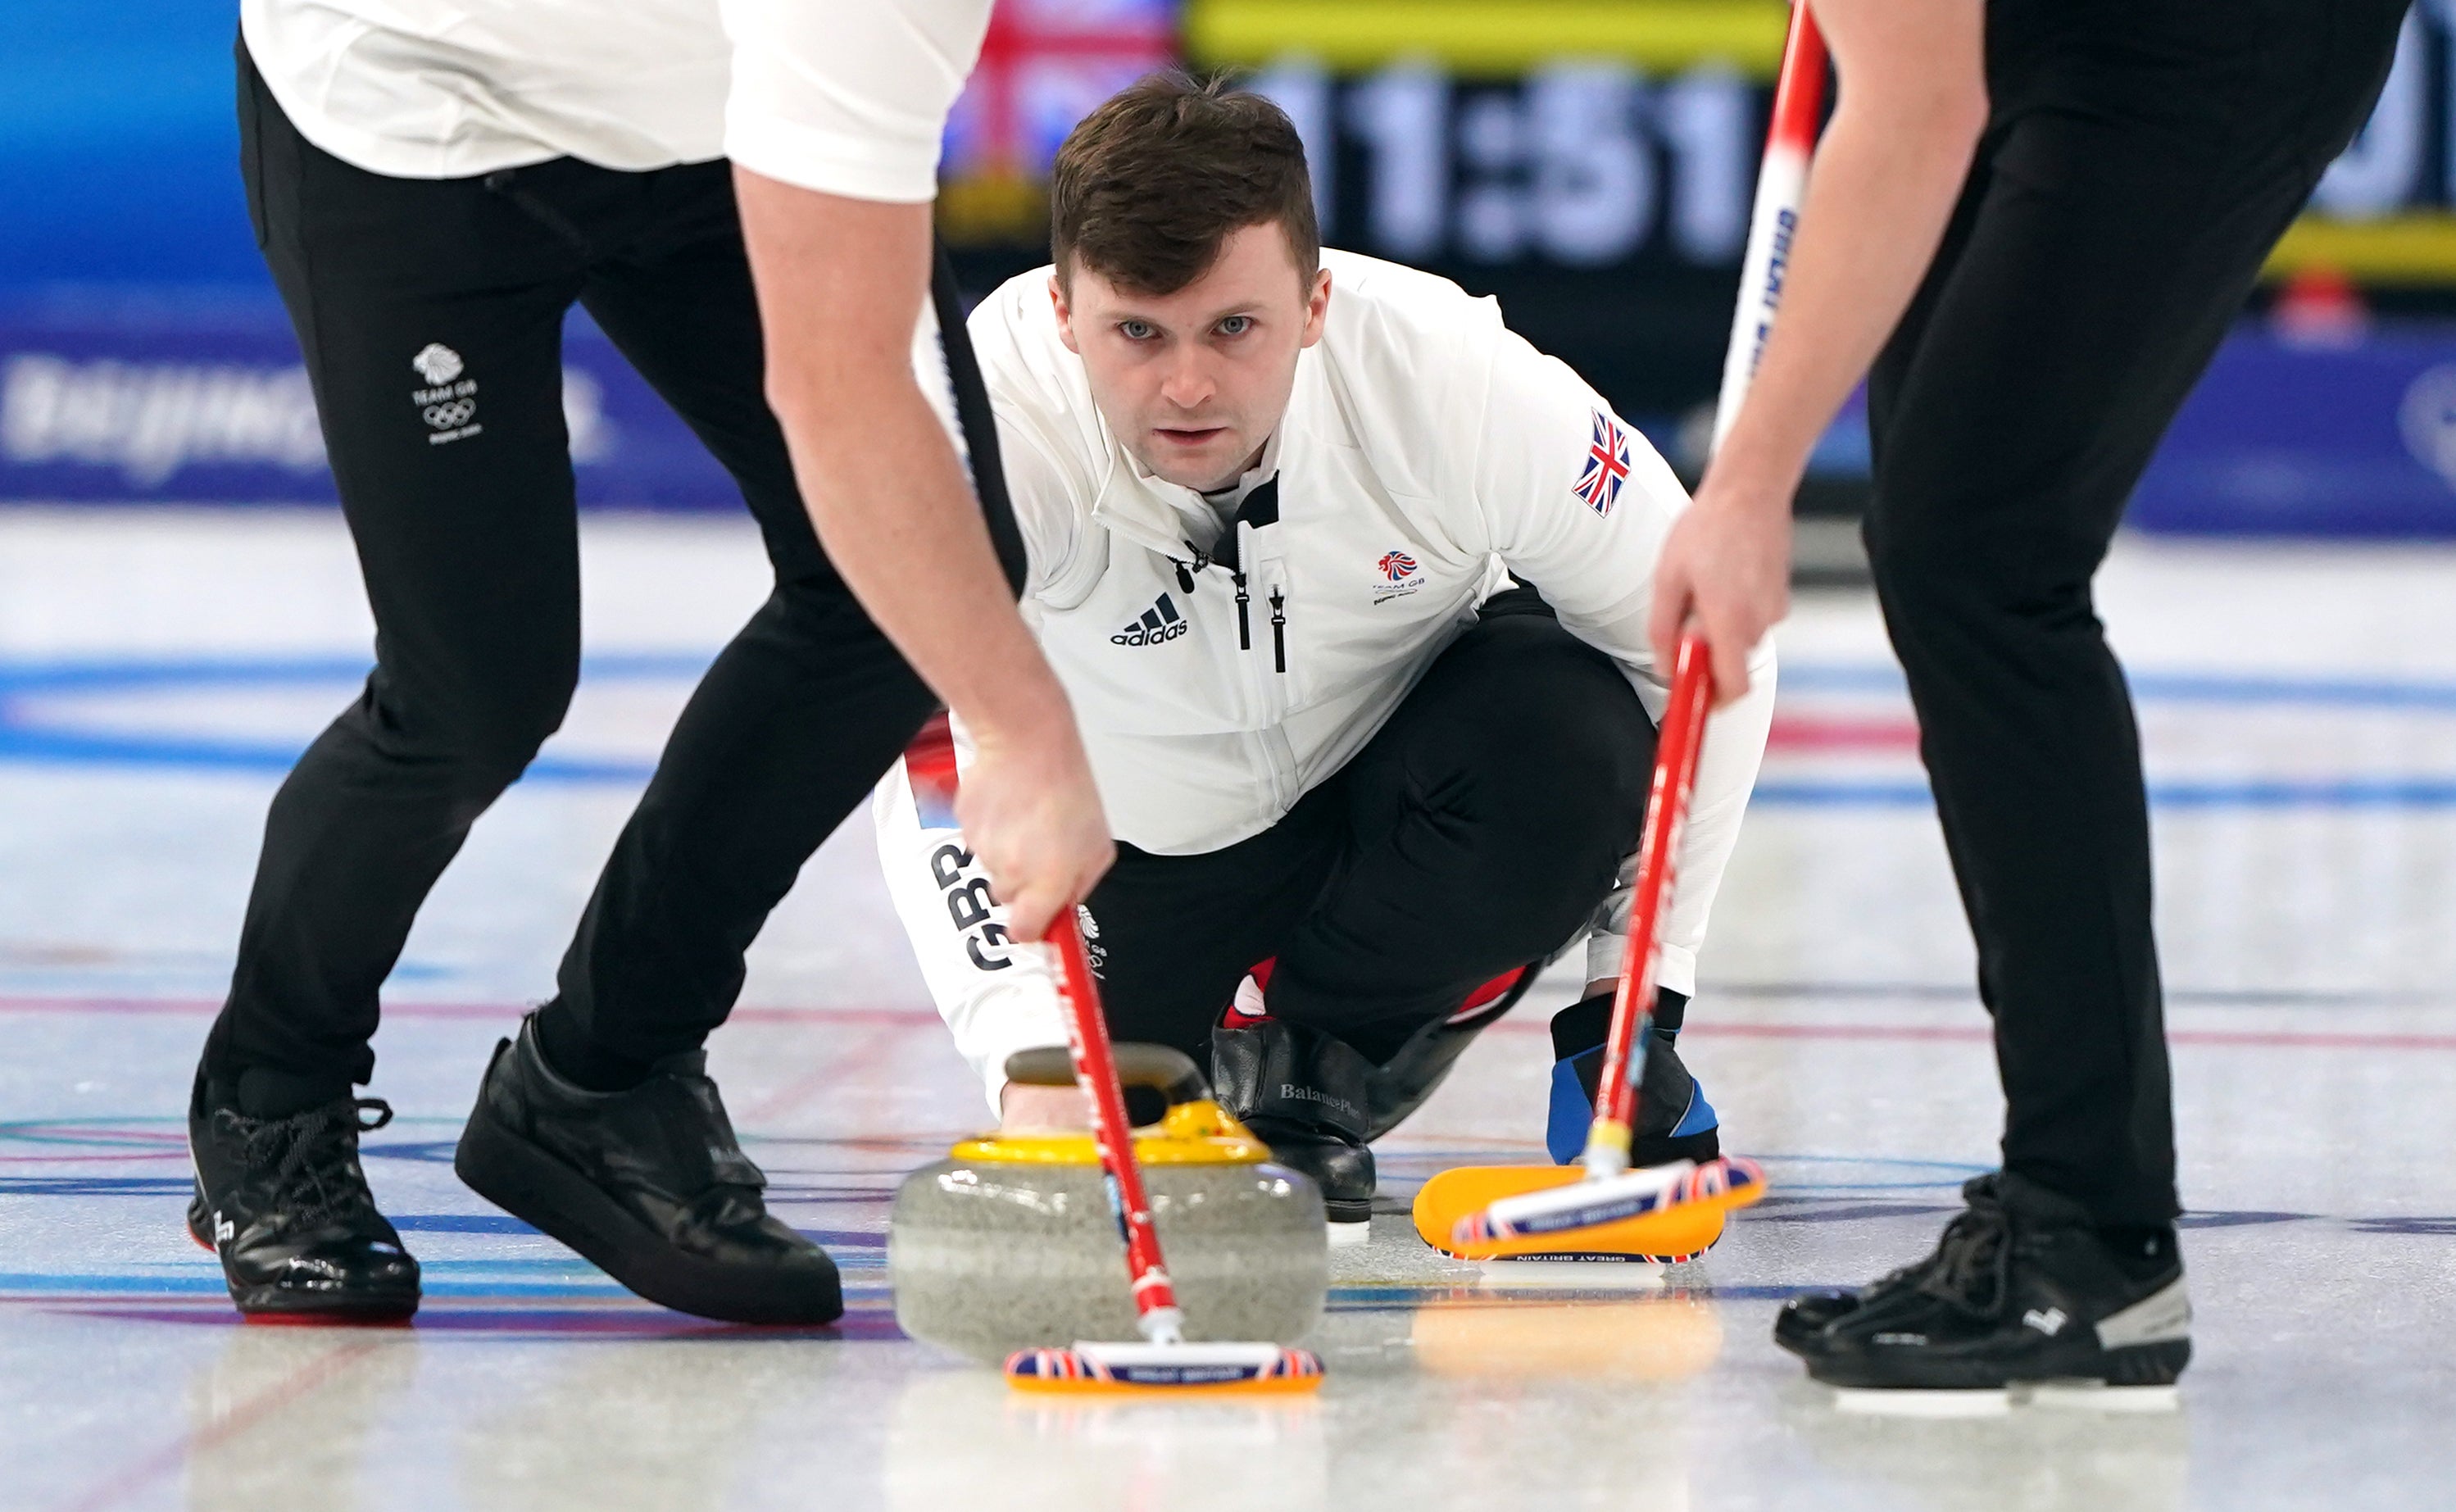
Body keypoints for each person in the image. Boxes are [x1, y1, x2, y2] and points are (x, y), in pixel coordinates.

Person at [188, 0, 1112, 1325]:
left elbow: (878, 420)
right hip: (405, 110)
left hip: (707, 123)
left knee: (908, 586)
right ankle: (267, 1098)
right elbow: (838, 389)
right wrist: (1018, 728)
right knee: (475, 689)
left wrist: (987, 672)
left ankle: (602, 1080)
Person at [1648, 0, 2407, 1390]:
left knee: (1979, 555)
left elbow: (1915, 111)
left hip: (2221, 35)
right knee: (1942, 536)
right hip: (2032, 31)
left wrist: (1746, 487)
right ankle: (2064, 1203)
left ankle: (2091, 1236)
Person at [872, 76, 1775, 1237]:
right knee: (1119, 1085)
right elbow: (925, 739)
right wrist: (1025, 1053)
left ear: (1312, 302)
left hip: (1383, 823)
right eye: (1137, 333)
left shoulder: (1451, 381)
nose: (1187, 385)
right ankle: (1199, 1052)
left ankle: (1318, 1062)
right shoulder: (989, 422)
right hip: (1125, 871)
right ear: (1061, 311)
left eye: (1233, 328)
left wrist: (1636, 994)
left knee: (1563, 731)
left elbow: (1698, 637)